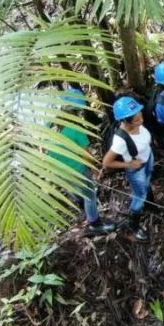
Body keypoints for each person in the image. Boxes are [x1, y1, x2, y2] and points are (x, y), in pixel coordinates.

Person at [48, 88, 116, 235]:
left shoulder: (52, 124)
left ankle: (84, 208)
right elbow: (86, 155)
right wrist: (96, 168)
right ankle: (94, 224)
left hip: (59, 171)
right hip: (76, 170)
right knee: (90, 195)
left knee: (76, 191)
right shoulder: (76, 129)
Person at [101, 95, 154, 241]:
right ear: (125, 121)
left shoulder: (138, 123)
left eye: (140, 115)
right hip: (136, 170)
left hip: (147, 159)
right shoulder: (120, 140)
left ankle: (150, 205)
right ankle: (133, 226)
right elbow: (106, 162)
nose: (141, 120)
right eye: (136, 119)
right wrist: (128, 165)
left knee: (148, 182)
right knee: (139, 196)